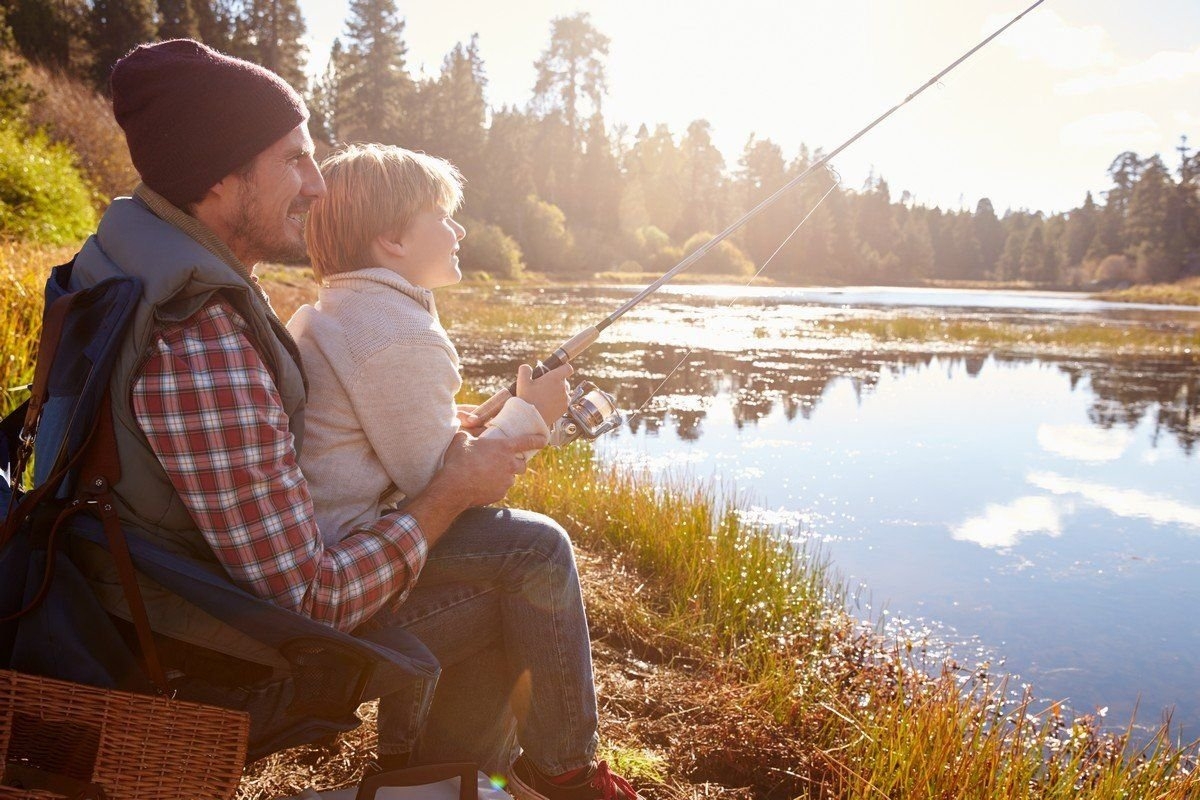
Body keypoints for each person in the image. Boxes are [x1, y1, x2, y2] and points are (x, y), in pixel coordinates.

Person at [66, 38, 637, 800]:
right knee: (529, 559)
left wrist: (460, 434)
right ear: (220, 174)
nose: (315, 185)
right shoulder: (197, 341)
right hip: (212, 643)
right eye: (294, 160)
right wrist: (455, 487)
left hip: (175, 592)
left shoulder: (139, 267)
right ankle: (526, 781)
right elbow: (310, 601)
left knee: (513, 557)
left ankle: (435, 778)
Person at [287, 143, 637, 799]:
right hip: (347, 583)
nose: (459, 231)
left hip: (335, 554)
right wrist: (531, 418)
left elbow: (397, 442)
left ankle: (426, 767)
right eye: (441, 217)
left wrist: (475, 420)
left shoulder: (340, 309)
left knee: (508, 570)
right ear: (390, 238)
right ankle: (566, 773)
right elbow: (445, 492)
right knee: (536, 551)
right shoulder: (399, 331)